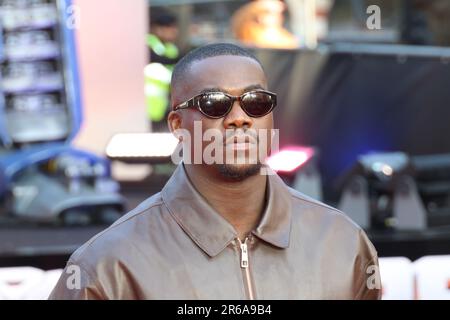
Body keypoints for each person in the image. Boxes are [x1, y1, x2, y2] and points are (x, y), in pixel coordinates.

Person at [49, 43, 381, 300]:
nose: (240, 117)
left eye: (256, 101)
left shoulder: (342, 242)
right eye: (214, 103)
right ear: (177, 125)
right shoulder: (109, 264)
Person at [145, 7, 180, 132]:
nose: (174, 32)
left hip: (162, 106)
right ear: (157, 29)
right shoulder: (147, 44)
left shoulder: (171, 49)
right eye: (169, 28)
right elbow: (160, 60)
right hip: (144, 108)